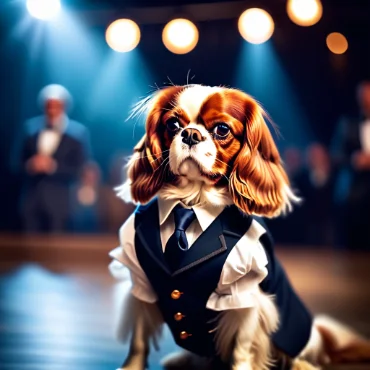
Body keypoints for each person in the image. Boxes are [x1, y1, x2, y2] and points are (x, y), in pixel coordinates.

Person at [14, 84, 91, 232]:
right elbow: (16, 162)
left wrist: (53, 166)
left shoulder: (78, 134)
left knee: (56, 247)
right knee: (28, 245)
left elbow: (81, 168)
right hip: (31, 199)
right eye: (48, 105)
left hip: (60, 201)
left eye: (56, 105)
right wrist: (31, 165)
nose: (52, 110)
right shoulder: (30, 130)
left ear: (65, 106)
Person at [331, 81, 370, 249]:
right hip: (354, 194)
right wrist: (354, 159)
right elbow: (335, 154)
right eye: (363, 95)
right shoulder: (347, 124)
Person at [295, 143, 334, 246]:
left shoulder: (335, 177)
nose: (316, 159)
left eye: (318, 155)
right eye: (313, 155)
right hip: (307, 226)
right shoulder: (300, 178)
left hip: (328, 225)